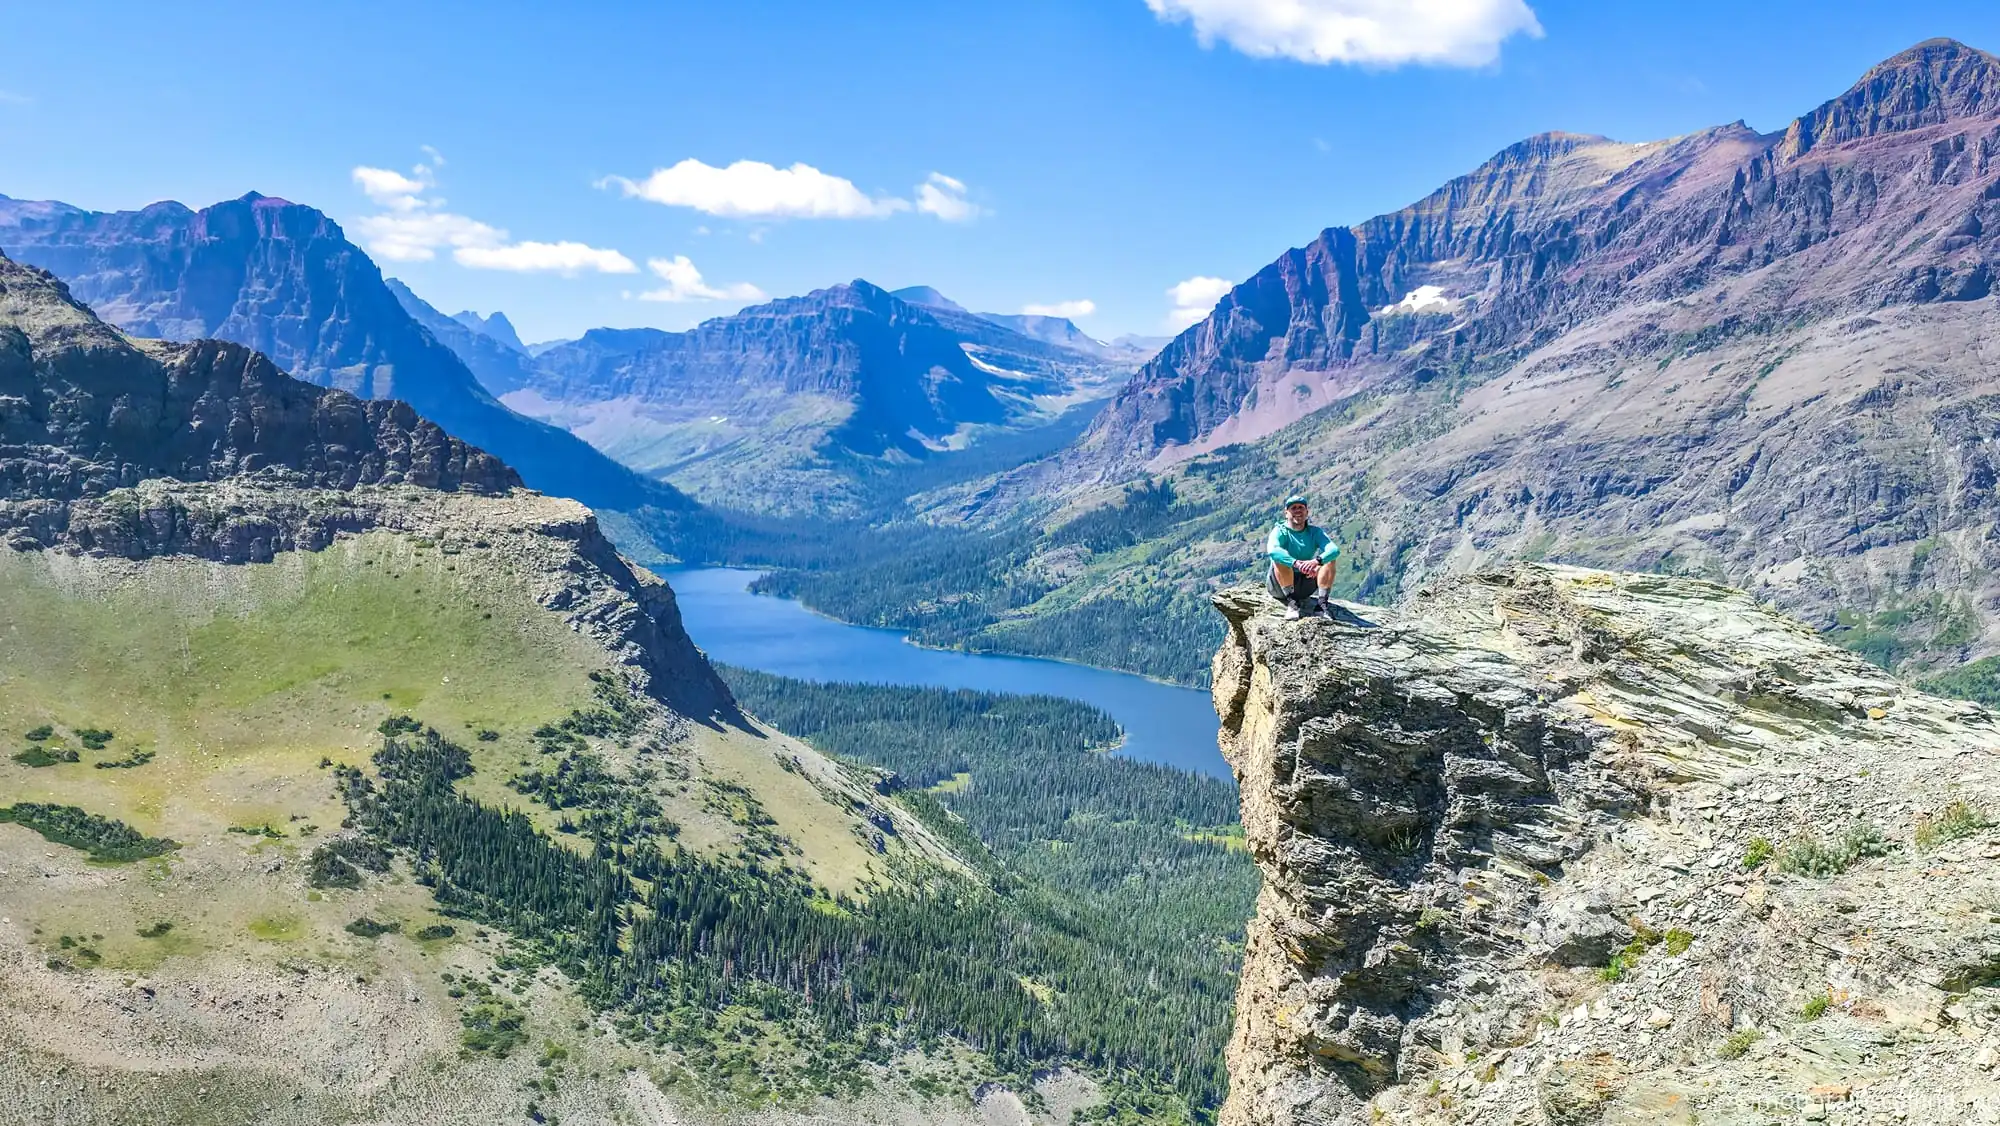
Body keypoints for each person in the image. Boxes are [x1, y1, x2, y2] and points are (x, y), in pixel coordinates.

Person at [1265, 493, 1339, 621]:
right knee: (1280, 558)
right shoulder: (1280, 531)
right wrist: (1296, 563)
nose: (1297, 511)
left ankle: (1322, 606)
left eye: (1301, 508)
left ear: (1307, 512)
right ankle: (1292, 604)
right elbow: (1273, 551)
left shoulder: (1315, 532)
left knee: (1329, 560)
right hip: (1279, 587)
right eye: (1293, 508)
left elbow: (1333, 550)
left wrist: (1316, 562)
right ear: (1286, 513)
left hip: (1304, 583)